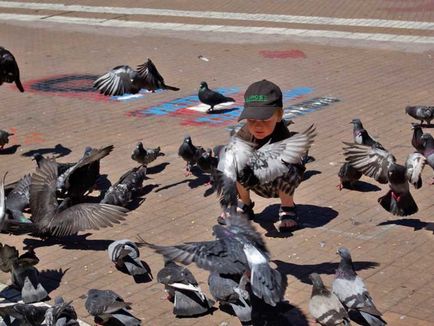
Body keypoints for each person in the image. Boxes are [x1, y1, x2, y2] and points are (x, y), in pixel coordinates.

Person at [219, 79, 306, 232]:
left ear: (279, 116)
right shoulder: (243, 135)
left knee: (286, 165)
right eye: (252, 120)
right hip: (255, 180)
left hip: (279, 182)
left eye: (265, 119)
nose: (258, 126)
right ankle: (244, 204)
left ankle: (287, 207)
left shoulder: (282, 135)